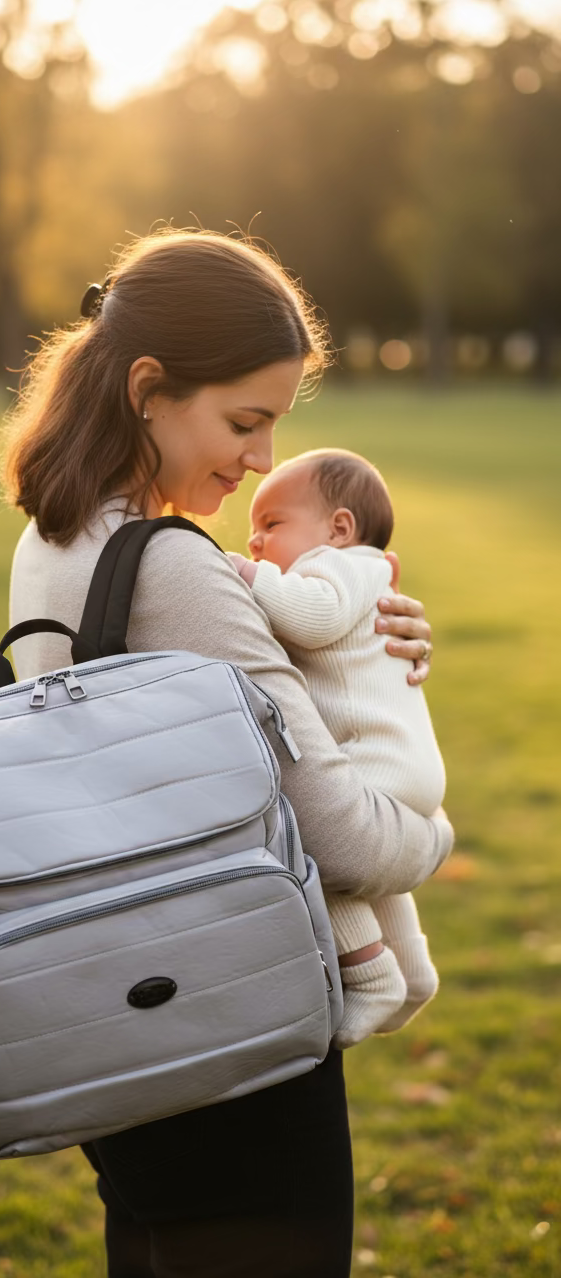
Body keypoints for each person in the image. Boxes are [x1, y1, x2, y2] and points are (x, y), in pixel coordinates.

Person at [0, 229, 453, 1278]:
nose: (259, 463)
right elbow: (342, 839)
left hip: (125, 1016)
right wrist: (432, 834)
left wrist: (364, 655)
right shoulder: (176, 574)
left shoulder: (55, 541)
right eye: (243, 422)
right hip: (232, 1039)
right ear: (148, 388)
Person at [227, 448, 445, 1050]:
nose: (253, 542)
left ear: (339, 527)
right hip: (405, 767)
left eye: (271, 525)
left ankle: (369, 972)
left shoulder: (339, 566)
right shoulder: (358, 572)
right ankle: (411, 971)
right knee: (371, 874)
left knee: (309, 836)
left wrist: (239, 576)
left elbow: (314, 618)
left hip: (374, 760)